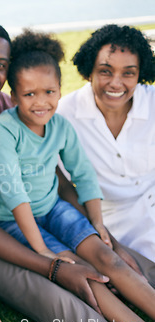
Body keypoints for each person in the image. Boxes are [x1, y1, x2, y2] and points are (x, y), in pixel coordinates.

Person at [0, 20, 155, 322]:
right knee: (76, 291)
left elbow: (60, 175)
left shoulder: (12, 103)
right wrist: (51, 265)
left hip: (42, 210)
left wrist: (104, 235)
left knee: (118, 260)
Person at [57, 24, 155, 263]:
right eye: (105, 71)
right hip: (113, 224)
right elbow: (58, 181)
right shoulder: (64, 114)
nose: (116, 83)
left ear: (140, 74)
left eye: (128, 73)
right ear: (89, 69)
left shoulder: (152, 102)